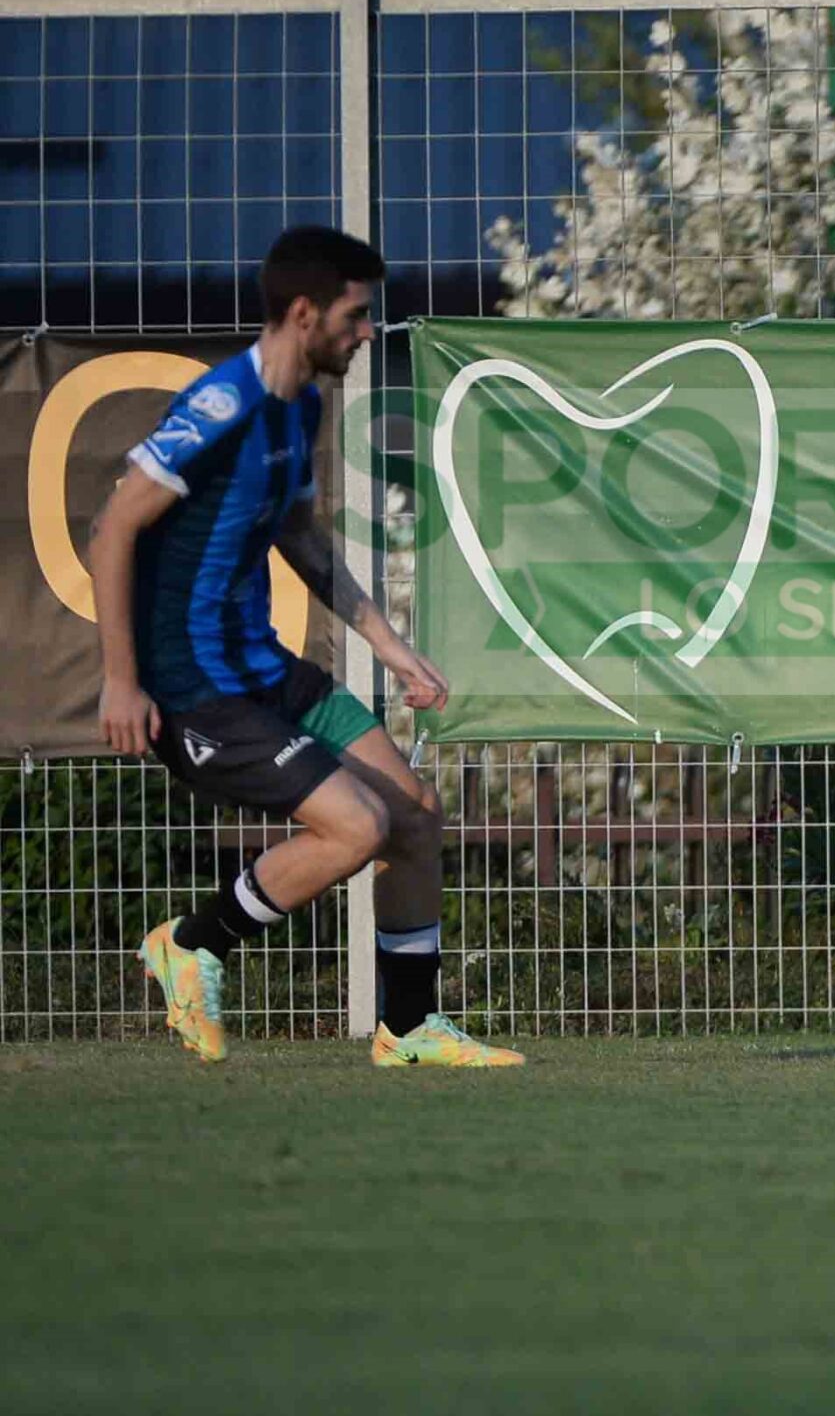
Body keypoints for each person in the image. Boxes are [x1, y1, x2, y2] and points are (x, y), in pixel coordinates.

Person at [94, 225, 519, 1069]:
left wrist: (389, 646)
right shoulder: (223, 406)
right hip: (194, 686)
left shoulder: (302, 407)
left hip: (263, 667)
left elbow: (299, 535)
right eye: (355, 315)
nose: (368, 332)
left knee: (415, 813)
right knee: (357, 826)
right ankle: (192, 944)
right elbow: (113, 529)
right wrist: (120, 680)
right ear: (302, 313)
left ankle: (408, 1030)